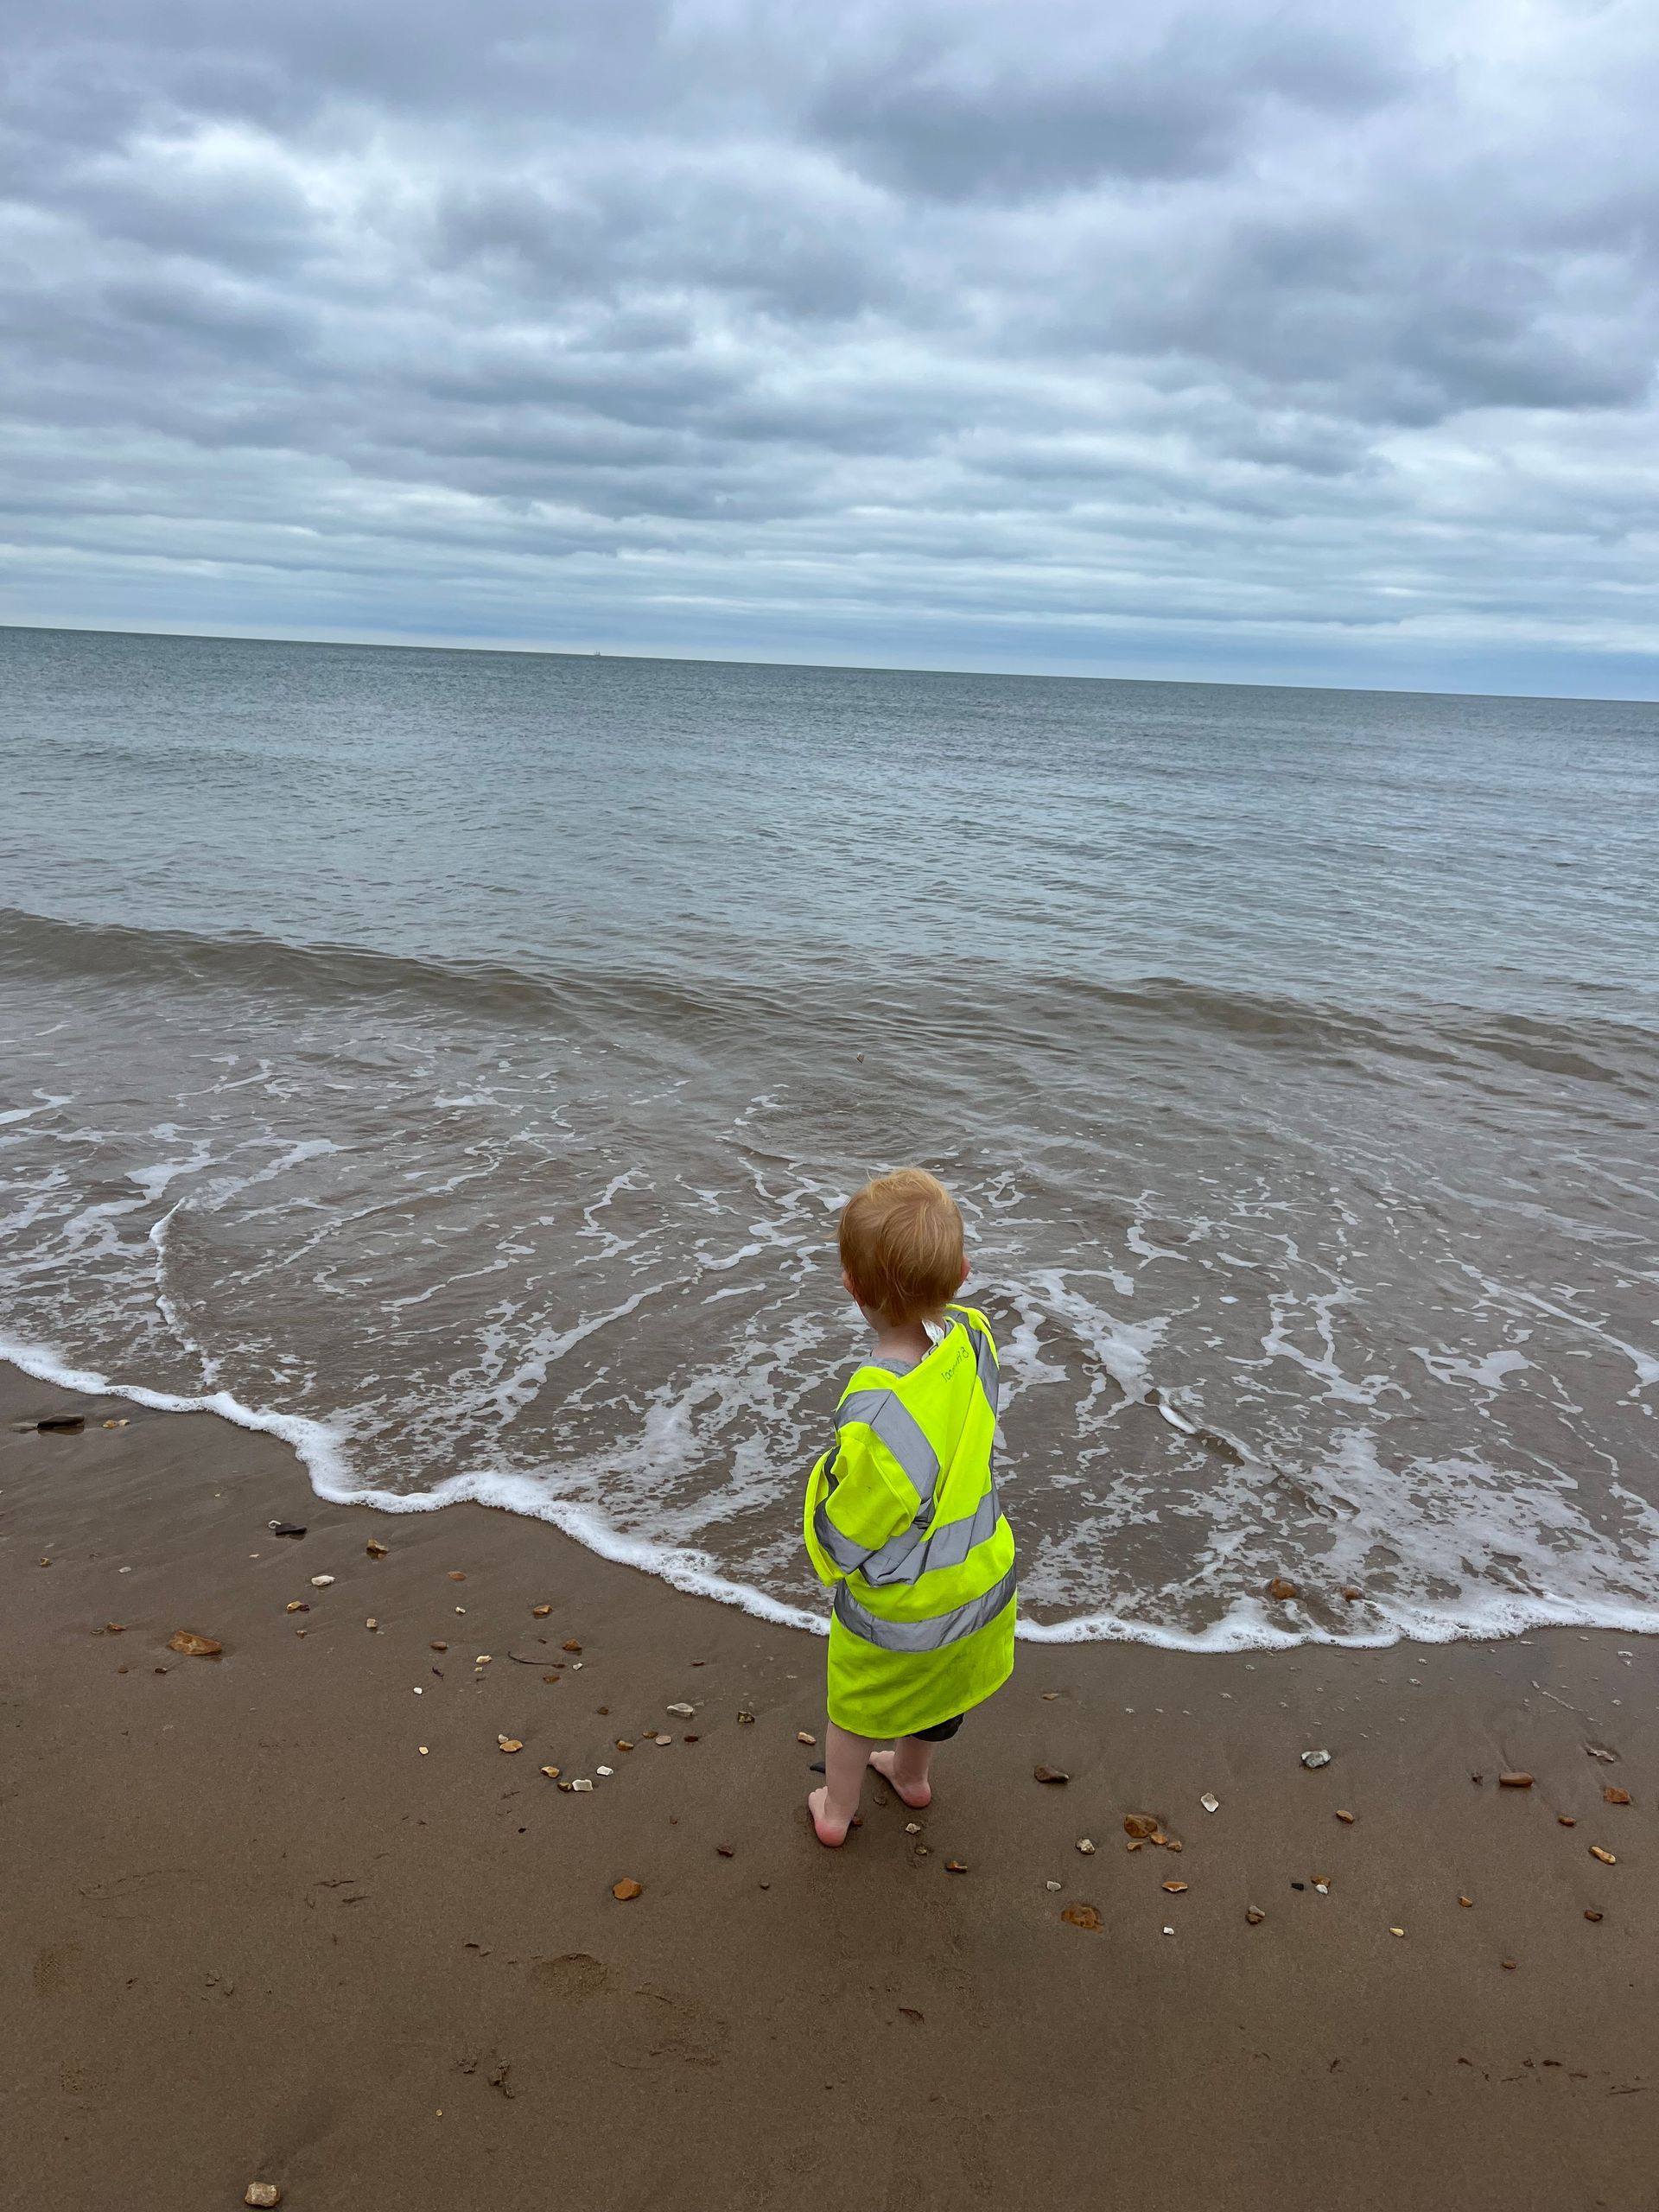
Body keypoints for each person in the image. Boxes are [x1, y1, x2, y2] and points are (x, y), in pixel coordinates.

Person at [803, 1167, 1016, 1846]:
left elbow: (857, 1523)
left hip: (906, 1602)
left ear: (852, 1288)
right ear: (962, 1271)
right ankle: (912, 1778)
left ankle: (835, 1812)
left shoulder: (877, 1408)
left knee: (856, 1706)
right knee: (937, 1695)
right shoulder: (975, 1340)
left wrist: (826, 1544)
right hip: (978, 1578)